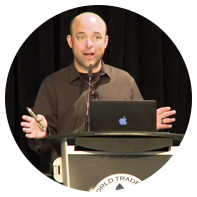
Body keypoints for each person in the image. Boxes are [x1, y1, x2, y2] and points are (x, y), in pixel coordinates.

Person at [21, 12, 176, 190]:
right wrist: (43, 133)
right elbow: (43, 144)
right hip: (68, 185)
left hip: (118, 182)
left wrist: (146, 125)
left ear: (106, 41)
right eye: (81, 37)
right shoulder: (52, 85)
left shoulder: (125, 81)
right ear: (70, 41)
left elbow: (137, 141)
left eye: (96, 37)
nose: (89, 44)